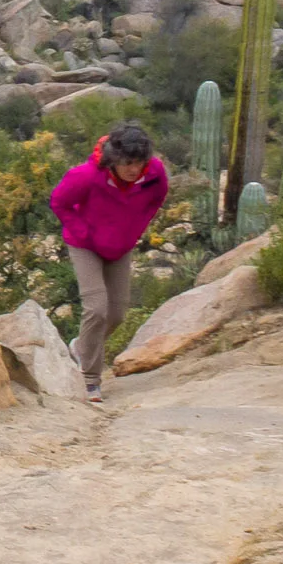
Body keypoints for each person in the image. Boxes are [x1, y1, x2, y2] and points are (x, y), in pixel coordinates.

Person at [46, 122, 171, 400]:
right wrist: (83, 232)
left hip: (121, 246)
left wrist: (136, 227)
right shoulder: (87, 176)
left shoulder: (154, 174)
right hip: (85, 245)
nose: (133, 169)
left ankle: (80, 348)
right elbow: (59, 202)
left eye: (139, 162)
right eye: (127, 162)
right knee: (97, 309)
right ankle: (90, 379)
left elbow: (159, 197)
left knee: (116, 315)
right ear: (114, 158)